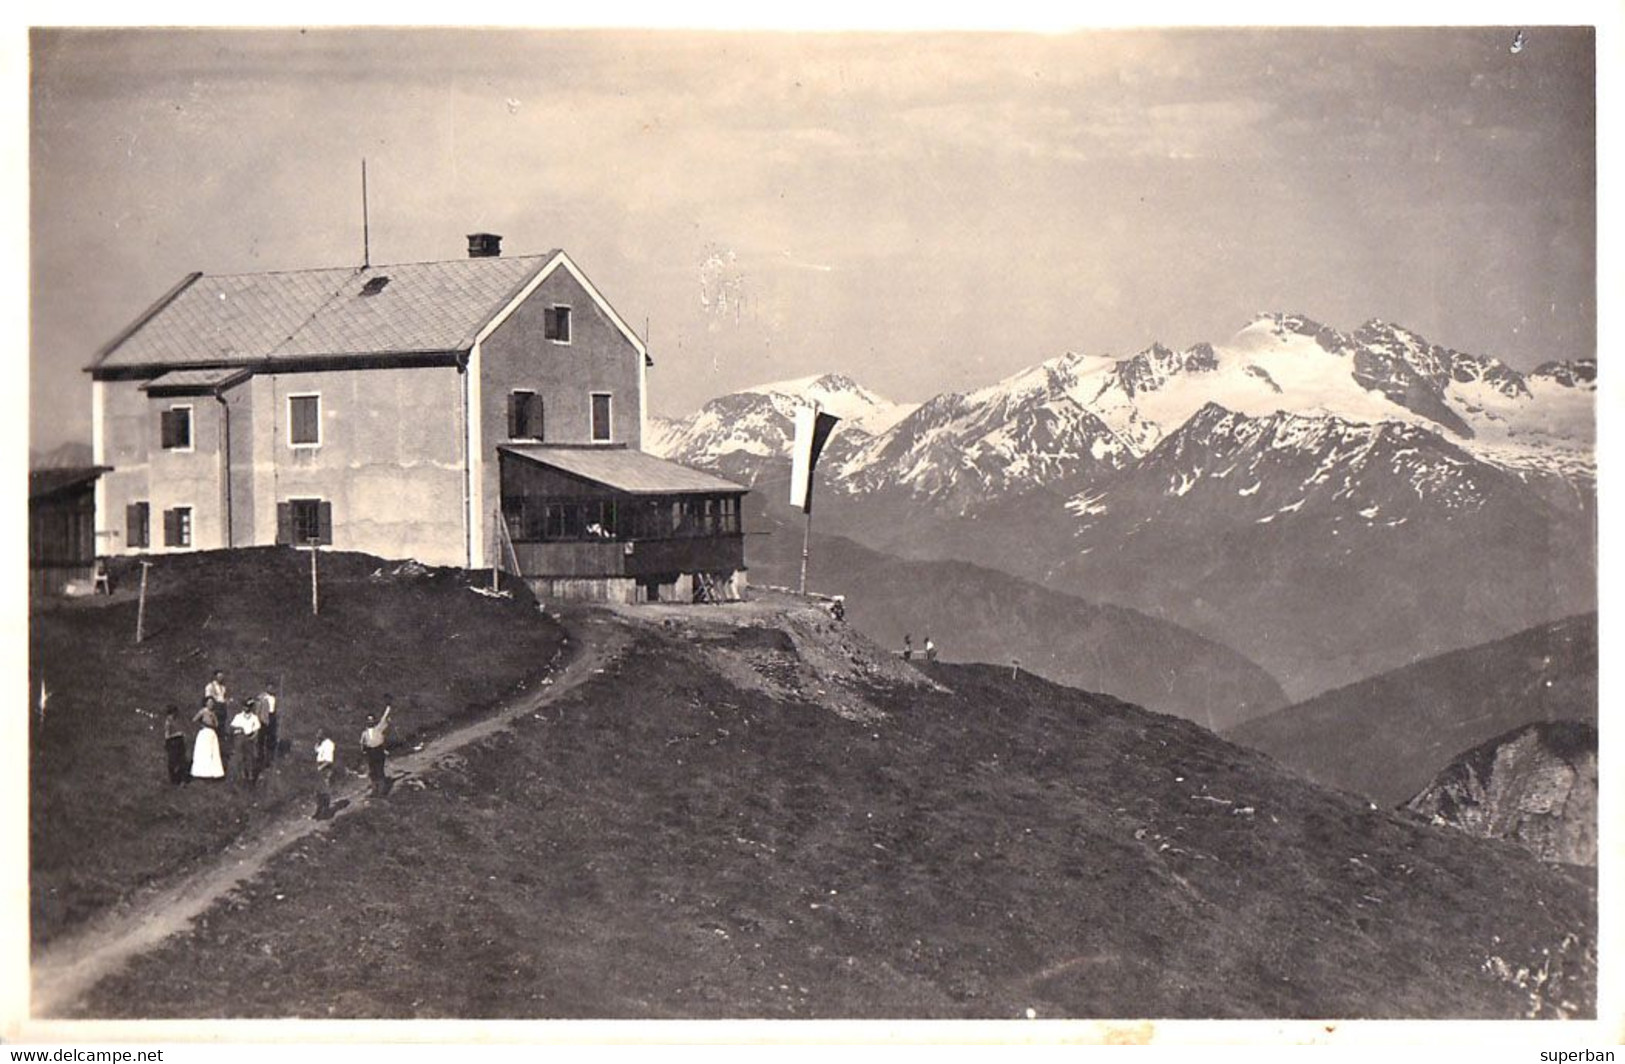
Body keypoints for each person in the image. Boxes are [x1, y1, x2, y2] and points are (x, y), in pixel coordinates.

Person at [360, 703, 393, 798]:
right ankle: (375, 790)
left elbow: (384, 717)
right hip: (370, 752)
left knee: (379, 770)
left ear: (374, 721)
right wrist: (363, 750)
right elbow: (362, 743)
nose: (370, 722)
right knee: (372, 771)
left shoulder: (379, 728)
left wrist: (388, 708)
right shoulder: (364, 733)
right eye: (368, 720)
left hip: (378, 750)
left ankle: (382, 791)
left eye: (372, 720)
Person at [190, 698, 225, 779]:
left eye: (212, 703)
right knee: (204, 752)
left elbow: (216, 724)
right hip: (204, 733)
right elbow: (194, 719)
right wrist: (202, 724)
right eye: (209, 703)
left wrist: (213, 718)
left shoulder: (213, 713)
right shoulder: (203, 711)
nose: (211, 704)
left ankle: (211, 772)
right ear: (206, 703)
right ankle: (201, 772)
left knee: (212, 752)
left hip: (212, 733)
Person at [229, 699, 262, 785]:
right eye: (244, 706)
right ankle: (242, 775)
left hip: (249, 738)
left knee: (250, 757)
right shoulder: (238, 716)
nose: (246, 708)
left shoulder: (254, 717)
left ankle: (250, 776)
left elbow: (257, 730)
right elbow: (232, 727)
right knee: (240, 757)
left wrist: (252, 737)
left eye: (248, 706)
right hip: (240, 737)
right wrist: (239, 729)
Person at [313, 728, 336, 819]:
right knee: (317, 790)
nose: (317, 735)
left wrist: (320, 768)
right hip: (319, 766)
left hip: (325, 767)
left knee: (325, 790)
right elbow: (316, 751)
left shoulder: (329, 744)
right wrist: (318, 742)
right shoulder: (321, 743)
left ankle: (326, 811)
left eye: (320, 734)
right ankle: (319, 810)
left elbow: (329, 761)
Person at [255, 679, 279, 767]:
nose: (271, 688)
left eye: (272, 687)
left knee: (271, 738)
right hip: (263, 719)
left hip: (272, 717)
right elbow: (258, 710)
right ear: (266, 687)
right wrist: (258, 720)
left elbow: (275, 709)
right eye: (269, 687)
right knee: (261, 739)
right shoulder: (261, 697)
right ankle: (260, 757)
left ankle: (269, 758)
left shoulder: (274, 698)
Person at [162, 705, 189, 784]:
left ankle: (182, 780)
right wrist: (178, 734)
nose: (175, 715)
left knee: (182, 761)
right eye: (174, 713)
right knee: (173, 762)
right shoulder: (168, 723)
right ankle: (174, 779)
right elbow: (167, 736)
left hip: (179, 743)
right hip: (173, 744)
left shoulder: (174, 721)